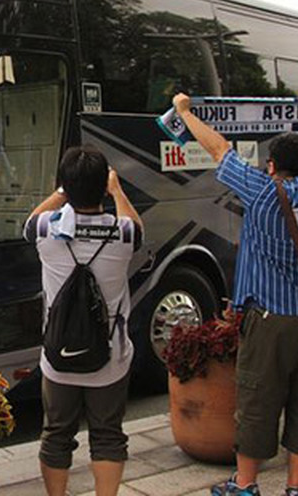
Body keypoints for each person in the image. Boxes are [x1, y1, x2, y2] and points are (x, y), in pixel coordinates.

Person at [171, 93, 298, 496]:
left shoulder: (263, 192)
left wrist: (184, 112)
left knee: (258, 400)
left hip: (271, 319)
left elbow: (219, 149)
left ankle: (245, 485)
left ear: (273, 165)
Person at [24, 144, 143, 496]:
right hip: (111, 358)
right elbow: (136, 225)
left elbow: (33, 218)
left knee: (57, 434)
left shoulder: (46, 230)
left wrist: (64, 190)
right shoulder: (124, 234)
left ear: (66, 185)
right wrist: (117, 190)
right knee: (107, 434)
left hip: (58, 358)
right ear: (102, 186)